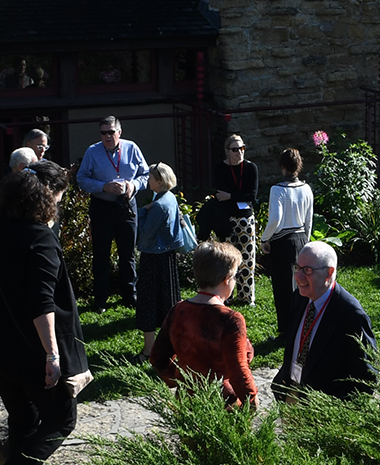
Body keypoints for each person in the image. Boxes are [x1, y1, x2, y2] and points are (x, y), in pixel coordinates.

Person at [0, 160, 90, 465]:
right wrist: (53, 356)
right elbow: (42, 303)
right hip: (29, 349)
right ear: (47, 198)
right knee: (62, 417)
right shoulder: (39, 237)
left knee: (24, 417)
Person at [149, 241, 258, 409]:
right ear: (226, 279)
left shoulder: (178, 310)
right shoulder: (230, 319)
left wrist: (180, 380)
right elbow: (239, 372)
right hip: (222, 402)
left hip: (186, 400)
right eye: (235, 276)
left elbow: (157, 357)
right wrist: (251, 401)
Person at [274, 241, 377, 401]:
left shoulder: (350, 315)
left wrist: (335, 414)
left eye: (307, 270)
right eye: (298, 268)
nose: (299, 277)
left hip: (324, 408)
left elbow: (365, 379)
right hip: (294, 394)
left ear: (329, 273)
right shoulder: (301, 297)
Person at [75, 116, 150, 311]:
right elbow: (81, 179)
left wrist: (133, 185)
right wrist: (103, 187)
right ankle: (100, 299)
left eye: (111, 132)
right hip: (102, 206)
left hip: (126, 205)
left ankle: (129, 294)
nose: (107, 136)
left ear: (119, 132)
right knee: (101, 254)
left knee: (128, 254)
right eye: (103, 133)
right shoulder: (93, 151)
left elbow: (146, 174)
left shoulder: (131, 148)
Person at [196, 133, 260, 304]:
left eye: (242, 148)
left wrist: (231, 196)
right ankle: (225, 296)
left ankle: (246, 296)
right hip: (225, 219)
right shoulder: (220, 169)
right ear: (227, 152)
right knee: (225, 260)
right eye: (235, 149)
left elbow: (251, 195)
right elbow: (219, 193)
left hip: (245, 218)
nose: (239, 152)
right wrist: (236, 196)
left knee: (247, 258)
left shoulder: (250, 168)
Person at [262, 147, 315, 345]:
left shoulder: (278, 190)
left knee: (283, 288)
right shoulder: (307, 189)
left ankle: (286, 332)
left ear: (283, 166)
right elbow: (309, 220)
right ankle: (301, 326)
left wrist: (264, 238)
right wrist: (306, 242)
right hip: (301, 238)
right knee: (302, 285)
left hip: (283, 241)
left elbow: (275, 219)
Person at [134, 163, 182, 361]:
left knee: (149, 304)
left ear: (160, 181)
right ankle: (171, 347)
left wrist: (142, 212)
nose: (148, 181)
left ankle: (148, 350)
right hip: (167, 256)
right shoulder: (169, 198)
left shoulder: (158, 206)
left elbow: (145, 234)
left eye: (151, 178)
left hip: (153, 257)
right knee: (168, 303)